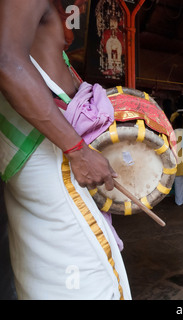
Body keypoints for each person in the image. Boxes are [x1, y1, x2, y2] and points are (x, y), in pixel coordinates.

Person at [0, 0, 131, 299]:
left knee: (45, 265)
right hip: (46, 152)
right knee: (87, 268)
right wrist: (77, 150)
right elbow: (6, 60)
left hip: (43, 151)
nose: (82, 6)